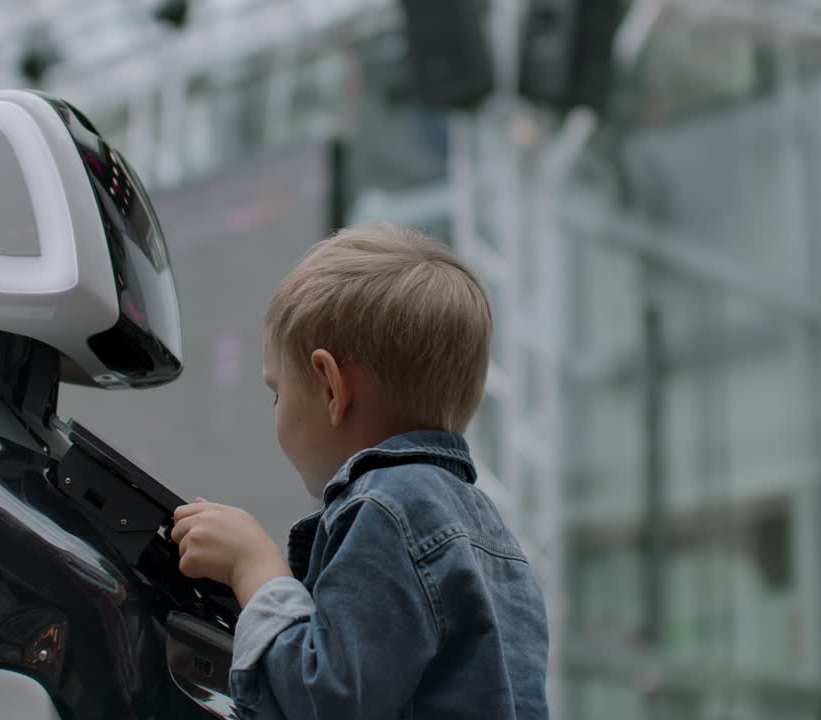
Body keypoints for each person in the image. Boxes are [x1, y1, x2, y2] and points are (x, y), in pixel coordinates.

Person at [171, 222, 551, 719]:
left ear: (331, 387)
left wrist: (254, 568)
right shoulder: (494, 539)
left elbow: (325, 698)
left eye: (276, 393)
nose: (276, 408)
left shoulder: (387, 510)